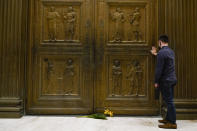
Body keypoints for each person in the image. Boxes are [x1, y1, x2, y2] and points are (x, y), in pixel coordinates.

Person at [150, 35, 177, 129]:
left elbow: (159, 69)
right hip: (172, 79)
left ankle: (172, 123)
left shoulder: (162, 53)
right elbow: (164, 59)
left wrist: (156, 81)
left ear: (160, 42)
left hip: (166, 80)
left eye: (159, 43)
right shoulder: (171, 51)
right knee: (168, 100)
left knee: (169, 101)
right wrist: (156, 54)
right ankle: (168, 119)